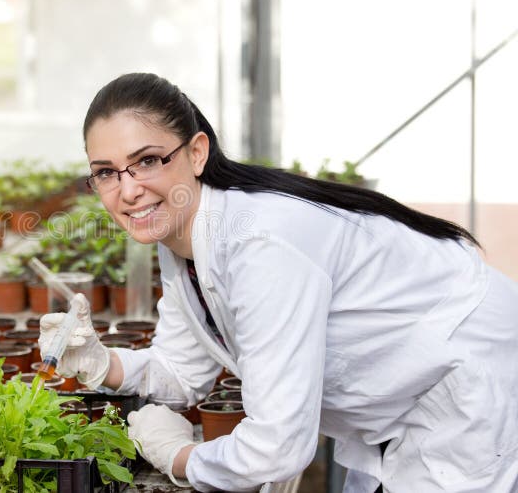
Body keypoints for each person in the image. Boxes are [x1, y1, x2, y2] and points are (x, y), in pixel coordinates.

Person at [38, 72, 518, 492]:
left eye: (147, 160)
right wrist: (102, 364)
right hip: (403, 403)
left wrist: (181, 458)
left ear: (197, 152)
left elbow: (279, 447)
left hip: (464, 388)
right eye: (105, 173)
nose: (128, 189)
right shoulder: (185, 237)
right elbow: (182, 370)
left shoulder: (260, 245)